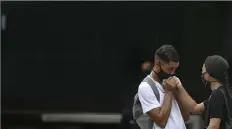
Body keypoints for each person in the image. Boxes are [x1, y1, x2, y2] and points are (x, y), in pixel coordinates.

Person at [174, 55, 232, 129]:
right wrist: (179, 86)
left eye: (204, 72)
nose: (202, 75)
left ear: (210, 74)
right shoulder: (224, 93)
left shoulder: (217, 95)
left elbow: (214, 126)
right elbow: (194, 108)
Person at [138, 44, 188, 129]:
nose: (173, 73)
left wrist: (178, 93)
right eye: (170, 69)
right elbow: (161, 122)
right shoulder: (145, 87)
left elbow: (186, 117)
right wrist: (169, 92)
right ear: (157, 63)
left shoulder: (174, 80)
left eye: (175, 69)